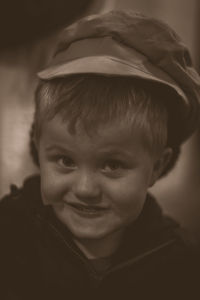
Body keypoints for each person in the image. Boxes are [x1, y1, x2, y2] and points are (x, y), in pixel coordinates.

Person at [1, 10, 200, 300]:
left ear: (158, 166)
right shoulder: (10, 233)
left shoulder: (180, 263)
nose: (85, 189)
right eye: (65, 161)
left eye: (112, 165)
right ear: (38, 148)